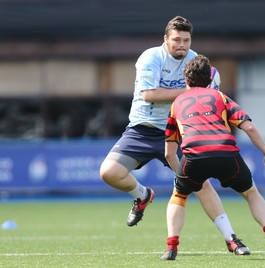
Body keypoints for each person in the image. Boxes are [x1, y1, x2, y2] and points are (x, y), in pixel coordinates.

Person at [99, 16, 250, 255]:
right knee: (109, 173)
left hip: (180, 132)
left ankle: (231, 239)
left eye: (186, 40)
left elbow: (210, 97)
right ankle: (143, 195)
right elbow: (149, 95)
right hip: (142, 129)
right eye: (177, 40)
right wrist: (192, 91)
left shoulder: (196, 61)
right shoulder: (151, 57)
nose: (182, 44)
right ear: (165, 40)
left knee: (201, 186)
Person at [160, 54, 265, 261]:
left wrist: (181, 177)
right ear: (210, 80)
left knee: (178, 197)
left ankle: (171, 248)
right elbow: (249, 126)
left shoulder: (176, 103)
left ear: (186, 81)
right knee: (251, 193)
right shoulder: (221, 97)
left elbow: (169, 151)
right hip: (226, 154)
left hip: (194, 157)